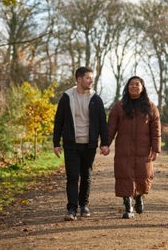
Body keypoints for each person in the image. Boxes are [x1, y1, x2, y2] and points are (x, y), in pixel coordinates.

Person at [53, 66, 110, 221]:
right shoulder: (67, 97)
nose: (91, 80)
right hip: (71, 144)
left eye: (92, 78)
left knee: (86, 176)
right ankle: (71, 209)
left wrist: (105, 143)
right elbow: (59, 121)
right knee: (72, 176)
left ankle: (84, 205)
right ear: (79, 79)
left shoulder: (95, 99)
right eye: (88, 78)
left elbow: (102, 123)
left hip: (89, 144)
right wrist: (56, 143)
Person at [107, 76, 161, 219]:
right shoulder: (119, 106)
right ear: (127, 87)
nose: (134, 86)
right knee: (125, 174)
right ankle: (128, 205)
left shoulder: (150, 106)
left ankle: (139, 197)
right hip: (124, 148)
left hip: (144, 149)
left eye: (137, 84)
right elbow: (111, 127)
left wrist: (155, 148)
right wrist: (105, 144)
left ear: (142, 88)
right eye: (131, 84)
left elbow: (156, 129)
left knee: (142, 173)